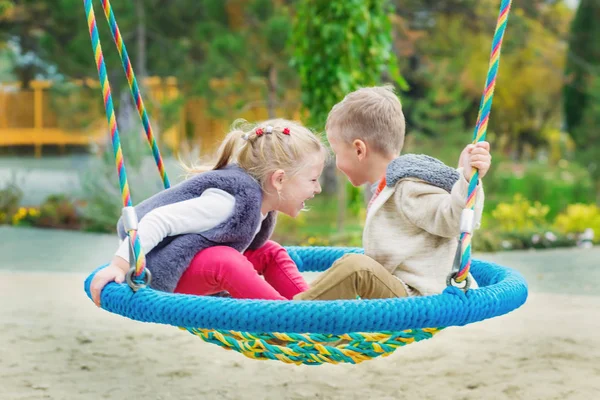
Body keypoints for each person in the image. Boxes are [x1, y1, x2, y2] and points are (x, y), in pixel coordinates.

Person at [90, 118, 327, 306]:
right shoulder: (226, 203)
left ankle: (310, 307)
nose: (317, 188)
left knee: (269, 251)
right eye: (313, 179)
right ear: (279, 180)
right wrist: (119, 267)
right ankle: (281, 317)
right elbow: (157, 219)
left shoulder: (259, 203)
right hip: (166, 272)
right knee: (226, 260)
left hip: (197, 265)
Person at [295, 86, 491, 301]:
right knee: (351, 271)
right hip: (395, 291)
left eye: (337, 153)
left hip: (417, 296)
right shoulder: (387, 187)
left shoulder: (408, 187)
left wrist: (466, 179)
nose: (337, 164)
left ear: (359, 149)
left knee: (355, 268)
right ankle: (313, 322)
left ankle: (291, 318)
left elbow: (454, 219)